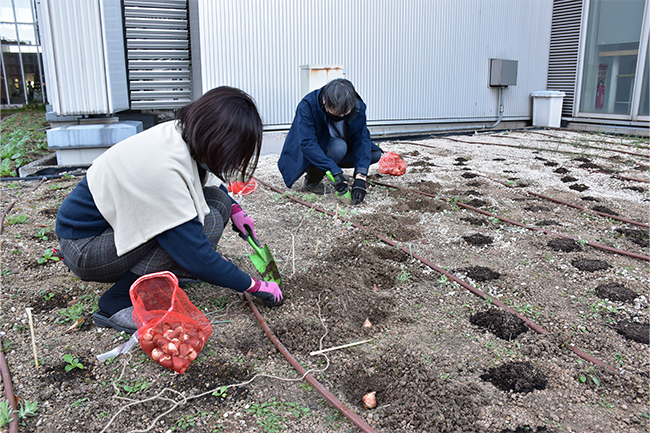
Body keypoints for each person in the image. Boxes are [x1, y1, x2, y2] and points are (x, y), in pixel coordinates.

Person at [55, 86, 283, 334]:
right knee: (203, 229)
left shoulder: (181, 134)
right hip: (86, 246)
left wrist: (236, 209)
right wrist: (252, 285)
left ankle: (166, 273)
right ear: (215, 141)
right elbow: (197, 254)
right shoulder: (162, 169)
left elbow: (210, 183)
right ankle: (117, 301)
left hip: (112, 225)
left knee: (219, 202)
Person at [277, 78, 382, 204]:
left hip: (338, 149)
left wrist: (361, 178)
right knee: (339, 147)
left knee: (373, 154)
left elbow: (362, 140)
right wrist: (334, 170)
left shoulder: (357, 108)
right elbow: (308, 144)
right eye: (336, 114)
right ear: (324, 101)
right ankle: (312, 179)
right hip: (314, 152)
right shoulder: (308, 105)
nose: (341, 117)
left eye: (344, 114)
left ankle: (332, 168)